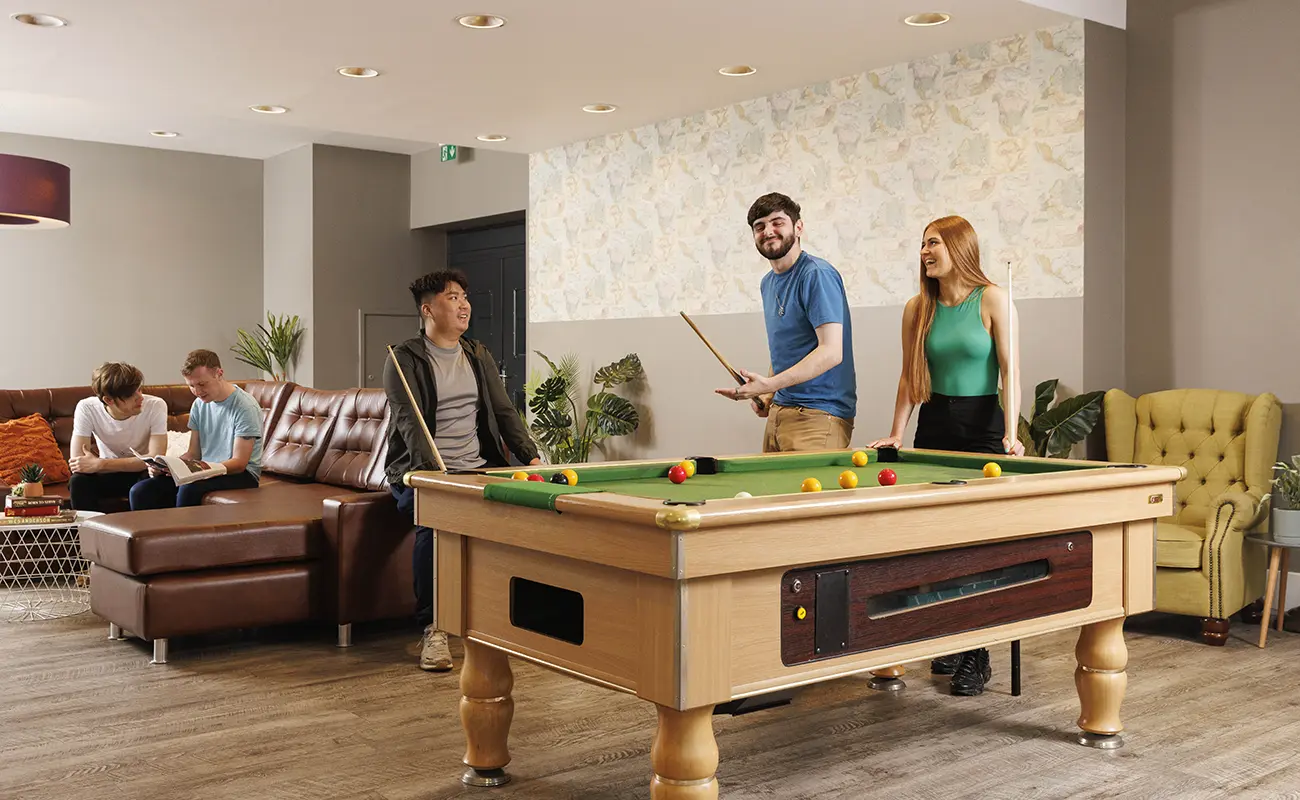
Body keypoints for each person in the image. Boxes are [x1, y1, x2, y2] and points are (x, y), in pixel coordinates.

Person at [868, 215, 1024, 696]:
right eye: (921, 245)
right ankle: (952, 635)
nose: (924, 252)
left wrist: (1012, 434)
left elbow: (1009, 371)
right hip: (934, 427)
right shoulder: (918, 308)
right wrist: (896, 432)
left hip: (983, 432)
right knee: (935, 541)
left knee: (976, 542)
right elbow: (908, 375)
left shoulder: (994, 298)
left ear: (959, 246)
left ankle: (977, 654)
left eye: (932, 243)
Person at [384, 269, 541, 671]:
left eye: (465, 296)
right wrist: (432, 477)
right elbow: (411, 423)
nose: (464, 304)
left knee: (519, 520)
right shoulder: (403, 359)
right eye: (452, 297)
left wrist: (531, 455)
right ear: (428, 309)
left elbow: (505, 411)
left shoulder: (478, 354)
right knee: (432, 528)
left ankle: (504, 621)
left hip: (477, 468)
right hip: (420, 471)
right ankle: (434, 630)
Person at [716, 192, 856, 451]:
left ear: (798, 227)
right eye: (760, 227)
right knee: (771, 493)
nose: (768, 231)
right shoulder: (767, 283)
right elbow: (787, 348)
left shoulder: (817, 275)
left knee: (807, 494)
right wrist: (768, 395)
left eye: (777, 222)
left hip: (818, 415)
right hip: (780, 412)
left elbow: (831, 352)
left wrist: (770, 384)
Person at [129, 349, 263, 509]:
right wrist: (169, 467)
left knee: (189, 488)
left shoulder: (244, 406)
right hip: (206, 469)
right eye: (191, 386)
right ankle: (150, 534)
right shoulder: (199, 404)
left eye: (202, 384)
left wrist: (204, 470)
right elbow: (194, 453)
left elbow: (239, 463)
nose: (197, 392)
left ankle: (181, 534)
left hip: (241, 475)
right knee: (141, 490)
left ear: (219, 374)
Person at [68, 362, 168, 512]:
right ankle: (90, 533)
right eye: (130, 395)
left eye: (139, 389)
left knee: (152, 483)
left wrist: (100, 464)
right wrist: (100, 466)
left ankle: (143, 533)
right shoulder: (87, 408)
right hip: (109, 476)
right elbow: (78, 462)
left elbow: (155, 458)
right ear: (109, 400)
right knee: (78, 481)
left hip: (142, 473)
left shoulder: (155, 405)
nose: (140, 397)